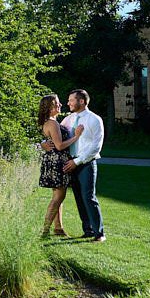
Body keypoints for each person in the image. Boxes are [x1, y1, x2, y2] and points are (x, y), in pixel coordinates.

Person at [42, 88, 106, 242]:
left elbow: (96, 147)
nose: (68, 103)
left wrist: (77, 162)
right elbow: (55, 136)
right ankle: (88, 230)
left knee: (88, 197)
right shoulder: (68, 120)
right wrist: (43, 143)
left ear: (81, 101)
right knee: (79, 198)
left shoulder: (94, 119)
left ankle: (99, 233)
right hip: (69, 164)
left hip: (85, 163)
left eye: (71, 100)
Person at [37, 94, 84, 237]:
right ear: (49, 107)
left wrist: (42, 145)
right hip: (58, 161)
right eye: (56, 104)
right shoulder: (52, 123)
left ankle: (58, 228)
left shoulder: (51, 121)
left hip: (52, 160)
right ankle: (44, 230)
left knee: (58, 195)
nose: (60, 105)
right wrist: (76, 136)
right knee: (58, 197)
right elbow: (59, 145)